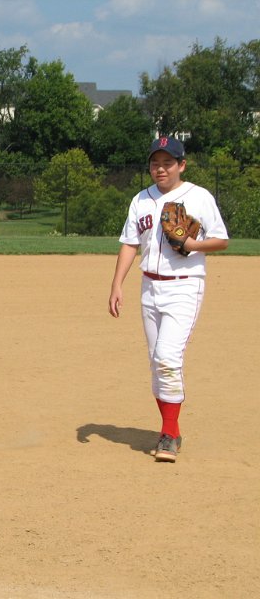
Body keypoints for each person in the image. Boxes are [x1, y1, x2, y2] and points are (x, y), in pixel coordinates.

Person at [108, 136, 229, 463]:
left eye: (167, 163)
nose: (160, 169)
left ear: (181, 165)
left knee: (167, 357)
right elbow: (130, 243)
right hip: (149, 287)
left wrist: (191, 244)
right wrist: (117, 284)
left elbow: (221, 240)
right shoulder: (141, 200)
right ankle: (171, 431)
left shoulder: (199, 197)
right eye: (155, 163)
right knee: (156, 363)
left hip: (185, 286)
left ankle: (168, 434)